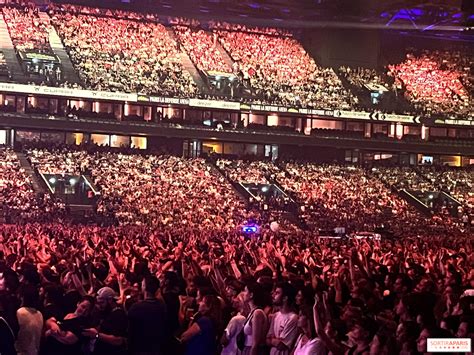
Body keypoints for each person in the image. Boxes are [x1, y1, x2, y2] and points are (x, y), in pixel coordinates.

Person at [128, 275, 168, 355]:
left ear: (144, 287)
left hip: (140, 347)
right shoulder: (162, 306)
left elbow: (130, 330)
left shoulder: (136, 307)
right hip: (157, 347)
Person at [82, 287, 127, 355]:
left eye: (102, 303)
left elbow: (119, 340)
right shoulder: (105, 313)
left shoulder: (119, 315)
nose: (99, 306)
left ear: (110, 300)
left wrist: (97, 335)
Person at [267, 282, 299, 355]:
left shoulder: (293, 318)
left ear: (285, 298)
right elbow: (267, 340)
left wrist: (273, 340)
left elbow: (282, 345)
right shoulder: (275, 315)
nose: (273, 295)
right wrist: (275, 340)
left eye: (277, 293)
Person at [242, 282, 269, 355]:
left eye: (245, 291)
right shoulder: (252, 312)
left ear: (251, 295)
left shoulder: (258, 313)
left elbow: (255, 342)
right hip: (247, 348)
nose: (243, 293)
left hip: (252, 350)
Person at [15, 285, 43, 355]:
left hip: (21, 352)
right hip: (35, 352)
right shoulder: (39, 314)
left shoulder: (20, 312)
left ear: (23, 297)